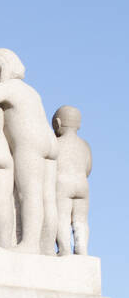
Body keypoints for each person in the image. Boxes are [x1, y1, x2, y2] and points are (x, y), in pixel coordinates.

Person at [0, 48, 58, 254]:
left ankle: (30, 243)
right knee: (48, 197)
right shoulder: (30, 90)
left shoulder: (9, 87)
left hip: (30, 143)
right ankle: (47, 247)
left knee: (29, 193)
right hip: (50, 142)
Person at [52, 105, 92, 255]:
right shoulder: (85, 145)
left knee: (62, 216)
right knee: (81, 219)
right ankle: (82, 248)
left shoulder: (56, 143)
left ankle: (64, 249)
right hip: (82, 184)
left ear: (58, 123)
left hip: (62, 184)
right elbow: (88, 167)